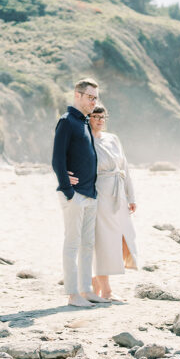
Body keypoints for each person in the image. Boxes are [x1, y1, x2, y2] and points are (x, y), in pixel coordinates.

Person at [51, 78, 106, 307]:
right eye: (90, 97)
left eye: (96, 98)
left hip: (90, 194)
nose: (93, 102)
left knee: (87, 245)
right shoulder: (67, 121)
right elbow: (57, 159)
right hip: (75, 195)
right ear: (78, 95)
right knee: (72, 244)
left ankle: (86, 290)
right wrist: (67, 188)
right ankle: (73, 294)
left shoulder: (84, 122)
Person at [87, 105, 138, 299]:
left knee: (121, 238)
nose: (100, 120)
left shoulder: (113, 138)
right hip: (99, 194)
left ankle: (96, 282)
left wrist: (130, 196)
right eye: (95, 116)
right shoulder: (86, 140)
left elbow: (125, 167)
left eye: (103, 117)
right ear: (88, 118)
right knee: (103, 241)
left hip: (118, 193)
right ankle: (106, 290)